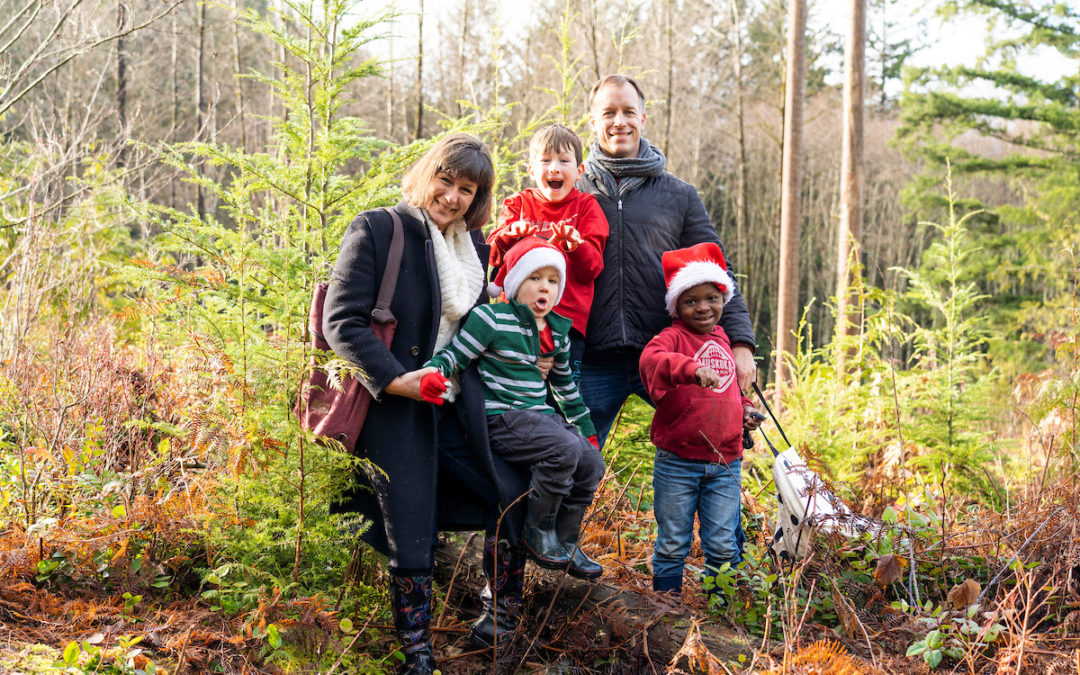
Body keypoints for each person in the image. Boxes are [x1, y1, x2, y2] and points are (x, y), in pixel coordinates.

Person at [322, 133, 530, 674]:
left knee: (509, 492)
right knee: (410, 525)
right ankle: (417, 653)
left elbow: (482, 332)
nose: (453, 196)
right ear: (427, 174)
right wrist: (397, 380)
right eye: (446, 179)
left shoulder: (475, 250)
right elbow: (341, 322)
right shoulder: (378, 228)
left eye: (467, 188)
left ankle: (499, 627)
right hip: (396, 404)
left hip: (458, 403)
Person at [575, 74, 758, 447]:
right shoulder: (574, 190)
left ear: (643, 118)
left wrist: (741, 344)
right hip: (592, 359)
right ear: (592, 121)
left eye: (628, 111)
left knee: (712, 447)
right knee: (576, 465)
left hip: (671, 353)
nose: (619, 121)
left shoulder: (679, 195)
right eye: (608, 112)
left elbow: (718, 271)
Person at [418, 236, 605, 585]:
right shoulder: (492, 319)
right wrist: (433, 376)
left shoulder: (558, 332)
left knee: (592, 461)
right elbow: (454, 356)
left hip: (540, 416)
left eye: (552, 281)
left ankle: (566, 540)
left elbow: (565, 389)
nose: (544, 288)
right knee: (563, 450)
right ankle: (538, 532)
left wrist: (587, 431)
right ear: (517, 282)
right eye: (535, 278)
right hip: (502, 417)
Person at [638, 243, 765, 596]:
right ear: (676, 305)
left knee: (723, 543)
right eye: (691, 301)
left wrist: (746, 410)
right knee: (673, 542)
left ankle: (721, 608)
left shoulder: (724, 338)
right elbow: (652, 362)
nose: (703, 307)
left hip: (726, 463)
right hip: (678, 462)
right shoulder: (672, 338)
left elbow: (730, 390)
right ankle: (666, 605)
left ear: (723, 297)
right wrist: (691, 369)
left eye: (711, 297)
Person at [487, 123, 608, 379]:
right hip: (516, 319)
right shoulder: (518, 204)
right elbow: (493, 255)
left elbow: (593, 268)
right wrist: (511, 234)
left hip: (567, 323)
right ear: (531, 170)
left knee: (563, 399)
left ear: (579, 171)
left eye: (564, 160)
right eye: (545, 160)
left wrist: (575, 246)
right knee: (516, 389)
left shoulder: (587, 207)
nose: (554, 167)